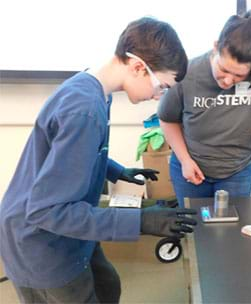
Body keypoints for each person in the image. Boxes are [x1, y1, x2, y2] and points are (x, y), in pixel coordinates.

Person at [0, 17, 197, 304]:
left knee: (107, 286)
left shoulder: (94, 91)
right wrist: (141, 221)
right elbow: (48, 212)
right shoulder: (85, 110)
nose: (158, 97)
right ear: (139, 67)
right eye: (162, 87)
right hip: (41, 241)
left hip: (68, 227)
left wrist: (118, 171)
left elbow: (70, 155)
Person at [157, 10, 251, 208]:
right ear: (215, 48)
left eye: (239, 76)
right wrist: (185, 160)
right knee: (193, 233)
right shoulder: (188, 72)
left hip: (236, 173)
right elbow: (167, 119)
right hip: (191, 168)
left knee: (231, 235)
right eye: (224, 70)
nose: (228, 81)